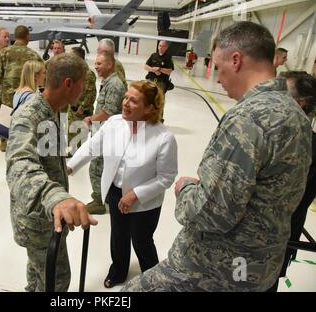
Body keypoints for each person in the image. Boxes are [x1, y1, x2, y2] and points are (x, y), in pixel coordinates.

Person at [123, 21, 312, 292]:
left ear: (236, 60)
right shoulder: (296, 115)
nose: (218, 77)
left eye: (218, 66)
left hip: (216, 267)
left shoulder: (248, 118)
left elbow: (212, 214)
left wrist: (185, 188)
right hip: (260, 267)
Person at [68, 80, 178, 288]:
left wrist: (136, 194)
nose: (125, 103)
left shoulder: (164, 138)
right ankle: (118, 270)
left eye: (133, 101)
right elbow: (92, 146)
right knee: (118, 235)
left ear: (149, 108)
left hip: (145, 201)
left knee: (141, 240)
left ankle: (153, 278)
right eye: (126, 97)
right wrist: (70, 167)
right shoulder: (114, 123)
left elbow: (166, 177)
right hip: (115, 192)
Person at [6, 53, 97, 292]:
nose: (84, 90)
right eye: (83, 84)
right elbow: (19, 165)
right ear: (68, 83)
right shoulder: (29, 116)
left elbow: (44, 155)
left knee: (38, 274)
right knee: (57, 281)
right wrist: (56, 196)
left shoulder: (53, 110)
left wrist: (60, 169)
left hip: (48, 218)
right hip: (39, 221)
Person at [267, 71, 316, 292]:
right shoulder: (274, 134)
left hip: (275, 240)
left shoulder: (308, 146)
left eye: (282, 95)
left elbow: (297, 197)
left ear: (300, 103)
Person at [83, 53, 126, 215]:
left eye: (99, 64)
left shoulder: (114, 84)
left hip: (108, 134)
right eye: (95, 63)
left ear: (110, 65)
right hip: (104, 131)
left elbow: (108, 111)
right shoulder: (108, 82)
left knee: (96, 167)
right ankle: (105, 196)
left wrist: (90, 119)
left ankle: (99, 200)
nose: (96, 67)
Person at [0, 25, 43, 152]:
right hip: (26, 98)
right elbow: (42, 80)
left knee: (5, 126)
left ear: (15, 36)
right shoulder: (34, 55)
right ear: (27, 37)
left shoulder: (4, 53)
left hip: (7, 99)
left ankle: (3, 142)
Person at [67, 47, 96, 152]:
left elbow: (91, 93)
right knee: (71, 133)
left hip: (81, 111)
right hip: (73, 109)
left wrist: (83, 107)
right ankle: (72, 152)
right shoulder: (76, 71)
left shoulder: (87, 73)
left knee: (80, 136)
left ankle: (78, 155)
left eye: (71, 56)